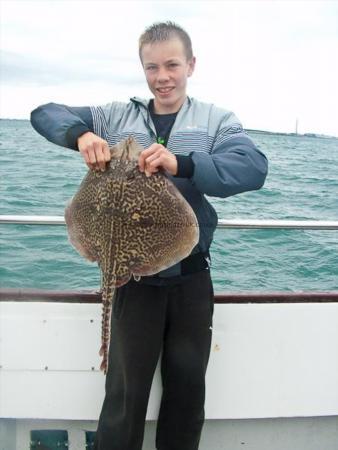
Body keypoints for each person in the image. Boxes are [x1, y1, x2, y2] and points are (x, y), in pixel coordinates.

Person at [31, 21, 268, 450]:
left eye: (172, 65)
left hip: (190, 279)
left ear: (191, 65)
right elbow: (45, 112)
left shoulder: (216, 120)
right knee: (124, 398)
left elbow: (253, 168)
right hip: (131, 280)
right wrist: (80, 134)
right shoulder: (115, 117)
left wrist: (185, 164)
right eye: (152, 67)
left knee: (186, 394)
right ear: (143, 69)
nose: (162, 77)